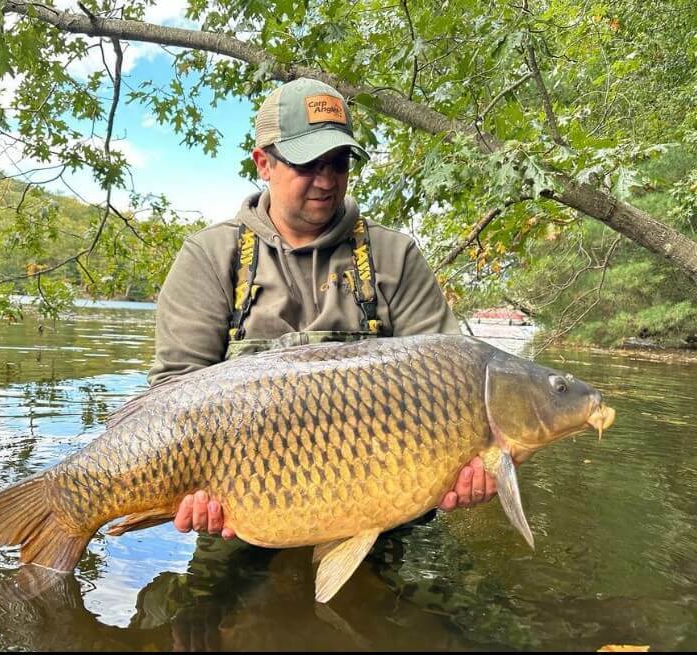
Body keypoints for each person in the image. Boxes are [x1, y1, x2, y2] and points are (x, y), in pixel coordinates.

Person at [147, 77, 496, 540]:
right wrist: (188, 495)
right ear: (263, 163)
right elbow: (172, 394)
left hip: (380, 512)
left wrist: (472, 462)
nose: (327, 181)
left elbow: (454, 381)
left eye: (339, 163)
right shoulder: (210, 256)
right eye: (308, 164)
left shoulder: (395, 256)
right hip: (242, 512)